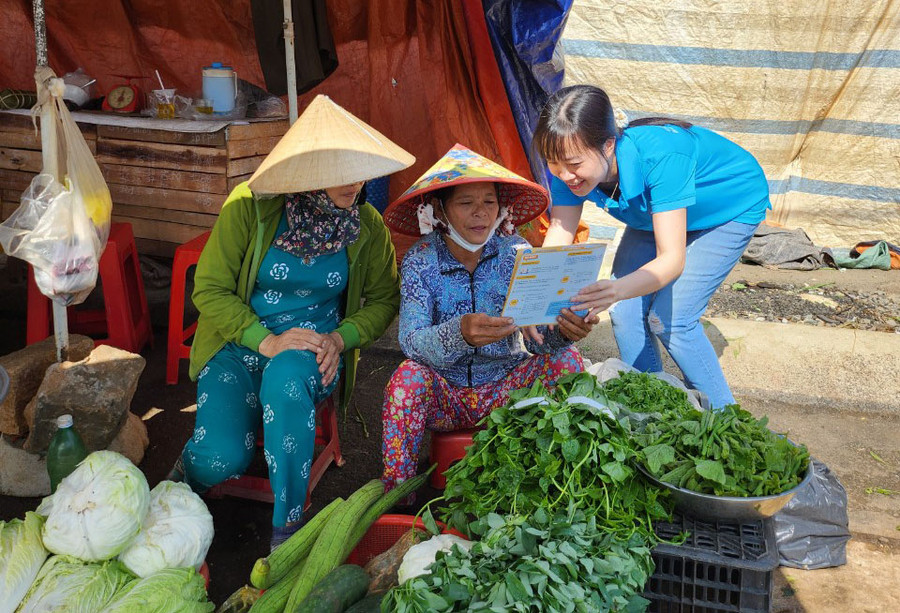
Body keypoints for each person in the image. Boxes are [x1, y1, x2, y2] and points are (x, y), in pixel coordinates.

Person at [172, 95, 414, 548]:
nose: (355, 183)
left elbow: (384, 299)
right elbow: (208, 288)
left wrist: (340, 340)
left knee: (286, 380)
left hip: (313, 352)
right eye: (338, 171)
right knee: (220, 458)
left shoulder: (365, 224)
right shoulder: (249, 207)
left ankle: (287, 531)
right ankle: (190, 468)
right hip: (238, 345)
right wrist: (264, 341)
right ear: (305, 173)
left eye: (358, 167)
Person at [534, 85, 770, 408]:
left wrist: (614, 289)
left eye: (574, 164)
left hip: (729, 207)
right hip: (657, 214)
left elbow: (672, 261)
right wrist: (533, 303)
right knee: (624, 311)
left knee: (671, 319)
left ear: (608, 144)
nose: (564, 176)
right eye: (553, 164)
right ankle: (651, 411)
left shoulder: (662, 156)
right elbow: (558, 239)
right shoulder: (566, 171)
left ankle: (726, 421)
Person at [379, 144, 593, 491]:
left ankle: (559, 483)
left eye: (489, 203)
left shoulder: (516, 253)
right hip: (446, 396)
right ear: (440, 210)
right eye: (466, 203)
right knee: (408, 379)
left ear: (500, 208)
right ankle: (397, 498)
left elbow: (541, 340)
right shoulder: (421, 260)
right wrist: (458, 333)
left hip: (507, 391)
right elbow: (411, 341)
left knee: (566, 360)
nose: (481, 213)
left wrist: (566, 331)